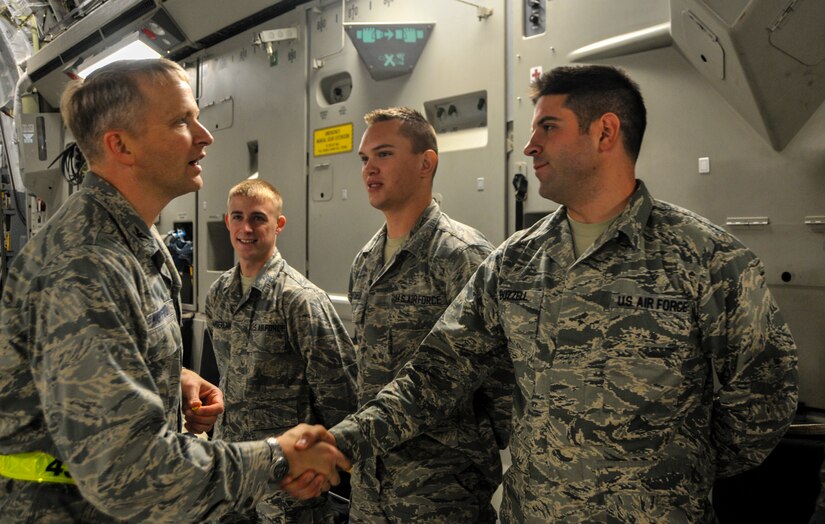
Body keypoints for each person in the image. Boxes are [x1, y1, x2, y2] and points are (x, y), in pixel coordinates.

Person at [312, 65, 799, 522]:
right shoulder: (515, 262)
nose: (529, 147)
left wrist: (668, 474)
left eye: (548, 127)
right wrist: (340, 443)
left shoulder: (707, 260)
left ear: (605, 132)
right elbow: (435, 372)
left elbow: (763, 403)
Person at [0, 59, 346, 522]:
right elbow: (131, 473)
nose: (205, 136)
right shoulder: (86, 264)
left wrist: (169, 377)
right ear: (120, 145)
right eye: (182, 121)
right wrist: (279, 456)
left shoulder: (136, 244)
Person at [343, 106, 512, 523]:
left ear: (426, 162)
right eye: (364, 159)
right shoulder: (365, 262)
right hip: (370, 487)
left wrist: (465, 459)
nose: (369, 170)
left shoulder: (464, 256)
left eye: (383, 154)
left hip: (441, 495)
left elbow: (504, 387)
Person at [206, 179, 357, 522]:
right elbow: (226, 376)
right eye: (238, 217)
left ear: (279, 225)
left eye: (258, 218)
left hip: (290, 479)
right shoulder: (218, 295)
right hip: (234, 468)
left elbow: (340, 394)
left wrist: (329, 465)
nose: (247, 228)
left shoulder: (300, 299)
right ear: (227, 222)